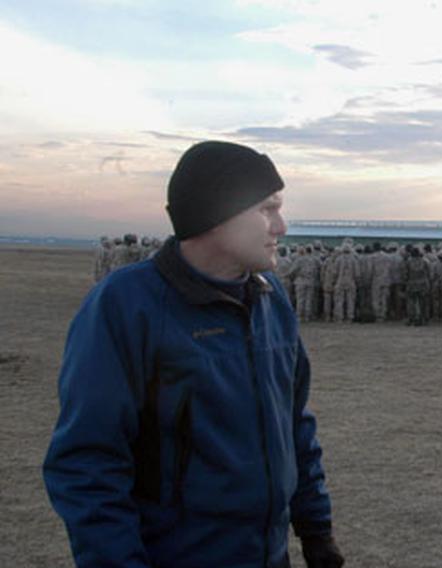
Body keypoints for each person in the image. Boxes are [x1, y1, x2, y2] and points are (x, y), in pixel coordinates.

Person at [44, 141, 344, 568]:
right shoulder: (128, 305)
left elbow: (293, 421)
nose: (282, 225)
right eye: (267, 208)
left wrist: (316, 528)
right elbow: (88, 463)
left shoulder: (270, 298)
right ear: (215, 213)